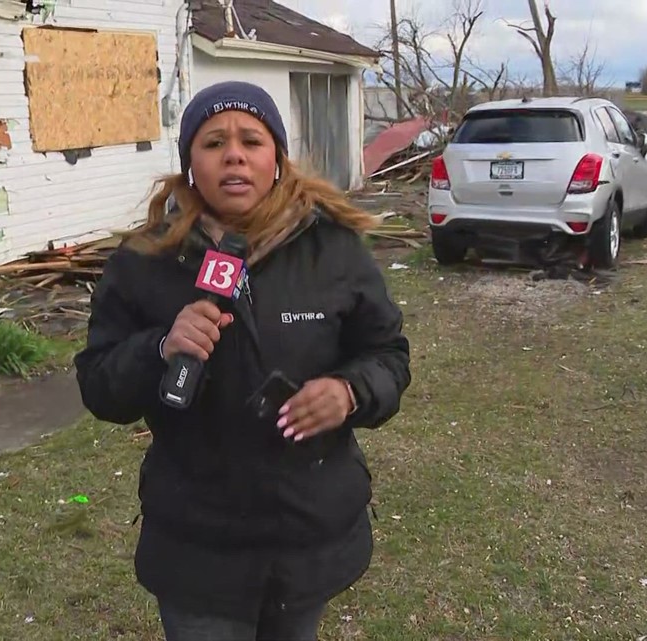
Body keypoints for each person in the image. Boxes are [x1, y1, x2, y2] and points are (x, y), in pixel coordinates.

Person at [74, 81, 411, 641]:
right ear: (190, 166)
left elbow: (389, 355)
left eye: (252, 140)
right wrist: (160, 347)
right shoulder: (142, 263)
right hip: (198, 549)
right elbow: (99, 386)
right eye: (213, 143)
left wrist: (350, 392)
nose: (234, 153)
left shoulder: (334, 250)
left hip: (307, 538)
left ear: (276, 160)